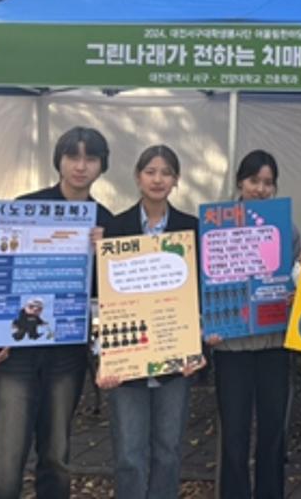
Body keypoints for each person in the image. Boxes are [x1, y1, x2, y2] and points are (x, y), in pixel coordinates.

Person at [0, 126, 113, 499]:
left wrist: (106, 255)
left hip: (66, 354)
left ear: (102, 166)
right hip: (14, 351)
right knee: (5, 458)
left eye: (90, 158)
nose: (80, 166)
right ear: (59, 160)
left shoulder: (105, 221)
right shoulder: (25, 207)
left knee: (56, 456)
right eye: (72, 156)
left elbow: (112, 293)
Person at [96, 144, 205, 499]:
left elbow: (201, 293)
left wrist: (197, 346)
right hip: (127, 358)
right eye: (151, 171)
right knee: (129, 453)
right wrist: (103, 356)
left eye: (166, 173)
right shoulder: (114, 228)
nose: (158, 179)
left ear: (176, 180)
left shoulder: (192, 229)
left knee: (168, 450)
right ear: (137, 176)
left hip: (176, 358)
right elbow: (102, 298)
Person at [207, 149, 300, 499]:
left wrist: (296, 290)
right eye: (253, 180)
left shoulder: (286, 227)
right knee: (234, 434)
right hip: (231, 346)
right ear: (239, 182)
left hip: (273, 343)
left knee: (274, 433)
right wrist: (207, 324)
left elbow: (298, 278)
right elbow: (205, 281)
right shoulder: (216, 224)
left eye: (268, 183)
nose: (260, 189)